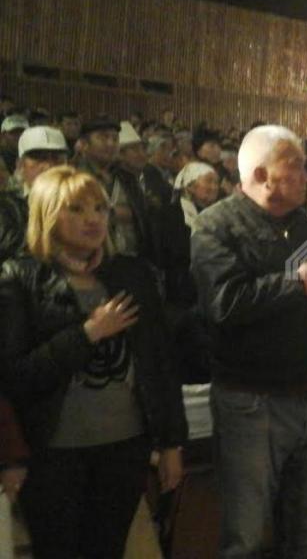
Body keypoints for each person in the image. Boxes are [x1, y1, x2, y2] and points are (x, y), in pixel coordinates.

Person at [0, 166, 185, 558]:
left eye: (100, 208)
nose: (93, 219)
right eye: (77, 209)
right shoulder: (20, 277)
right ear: (48, 214)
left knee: (108, 550)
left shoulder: (131, 274)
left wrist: (171, 443)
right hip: (53, 455)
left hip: (125, 448)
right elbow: (16, 377)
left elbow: (160, 363)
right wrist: (87, 334)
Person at [191, 125, 307, 559]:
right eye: (295, 167)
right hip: (253, 400)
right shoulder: (215, 225)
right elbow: (224, 303)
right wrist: (295, 283)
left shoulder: (304, 225)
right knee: (248, 535)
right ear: (260, 175)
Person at [73, 115, 157, 264]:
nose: (111, 143)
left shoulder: (127, 178)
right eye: (103, 137)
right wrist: (112, 214)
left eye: (115, 138)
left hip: (132, 262)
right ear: (85, 144)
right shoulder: (74, 179)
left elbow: (143, 217)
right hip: (90, 263)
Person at [0, 126, 69, 263]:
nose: (49, 166)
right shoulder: (6, 208)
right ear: (20, 165)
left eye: (56, 159)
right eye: (39, 158)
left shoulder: (83, 203)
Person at [173, 162, 220, 232]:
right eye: (208, 181)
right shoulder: (177, 216)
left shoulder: (218, 214)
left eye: (216, 182)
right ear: (190, 186)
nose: (214, 187)